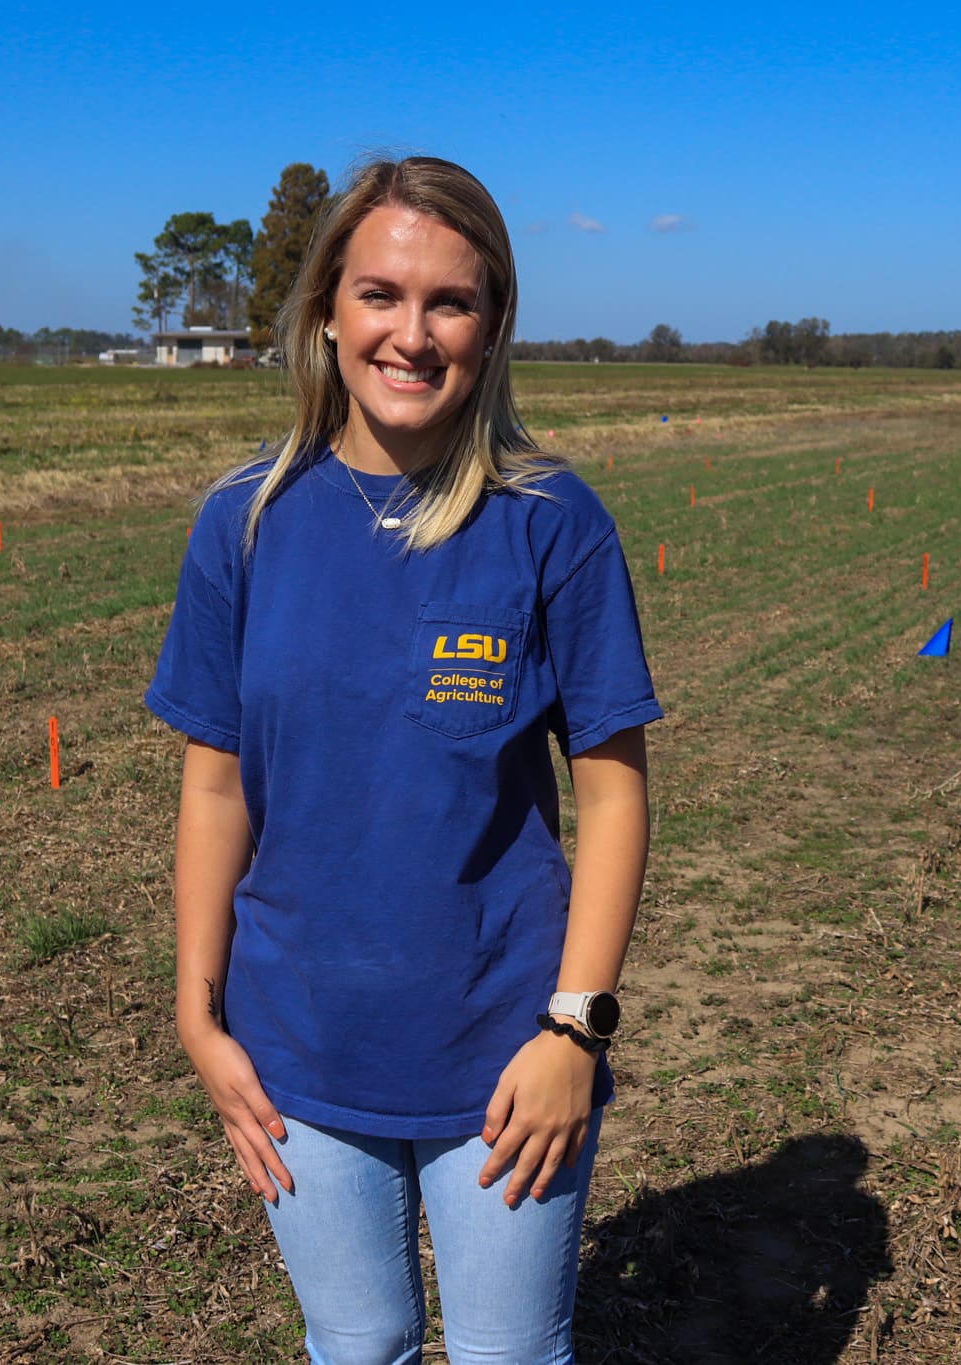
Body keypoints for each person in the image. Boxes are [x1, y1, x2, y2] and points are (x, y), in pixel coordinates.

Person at [144, 155, 661, 1365]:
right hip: (296, 1048)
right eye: (379, 294)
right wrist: (197, 1015)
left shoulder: (551, 522)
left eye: (450, 302)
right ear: (325, 310)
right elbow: (213, 785)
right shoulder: (245, 523)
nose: (410, 334)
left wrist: (575, 1033)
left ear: (493, 326)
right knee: (357, 1339)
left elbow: (614, 793)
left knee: (505, 1355)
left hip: (502, 1047)